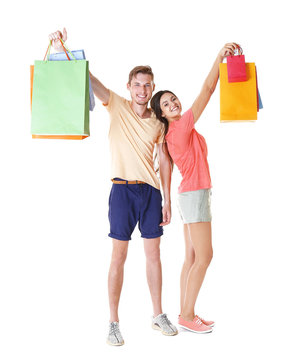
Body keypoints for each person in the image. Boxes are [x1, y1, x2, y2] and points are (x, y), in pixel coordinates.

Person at [48, 28, 178, 346]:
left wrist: (167, 198)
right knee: (118, 255)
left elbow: (163, 160)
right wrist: (62, 48)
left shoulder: (158, 122)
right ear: (129, 87)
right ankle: (113, 322)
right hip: (121, 191)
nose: (142, 89)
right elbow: (91, 81)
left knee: (153, 255)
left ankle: (158, 315)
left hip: (150, 193)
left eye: (147, 85)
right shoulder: (117, 105)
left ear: (152, 88)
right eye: (137, 84)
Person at [150, 43, 240, 334]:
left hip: (190, 195)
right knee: (205, 256)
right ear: (162, 114)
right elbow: (207, 90)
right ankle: (187, 316)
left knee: (191, 257)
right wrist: (219, 57)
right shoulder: (181, 126)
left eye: (173, 99)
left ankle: (186, 312)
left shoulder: (173, 132)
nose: (173, 104)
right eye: (166, 104)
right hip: (195, 194)